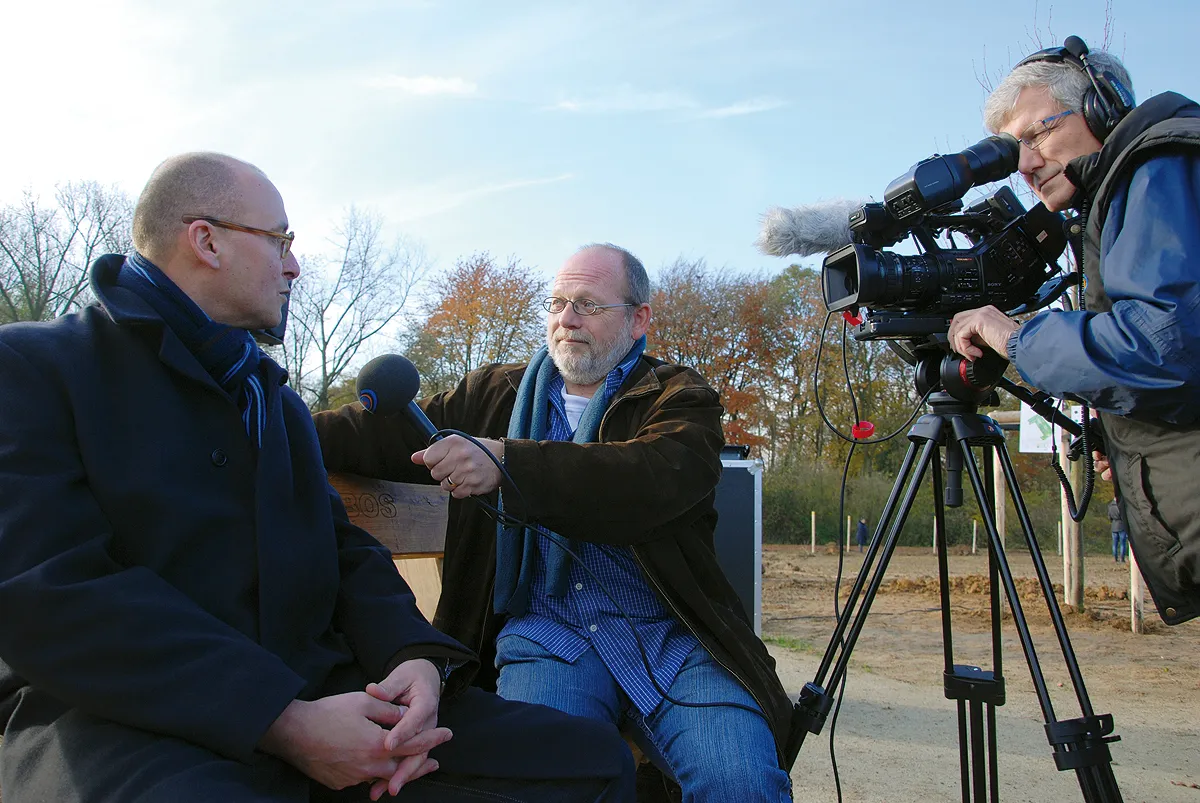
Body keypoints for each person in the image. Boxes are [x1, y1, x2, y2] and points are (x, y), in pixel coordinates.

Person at [0, 153, 636, 803]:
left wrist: (411, 656)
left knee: (592, 764)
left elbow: (339, 545)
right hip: (122, 724)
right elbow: (47, 595)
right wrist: (283, 720)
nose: (293, 265)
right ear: (206, 239)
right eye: (280, 240)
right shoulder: (34, 369)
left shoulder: (271, 399)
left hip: (329, 696)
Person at [314, 244, 799, 802]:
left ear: (638, 318)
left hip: (674, 638)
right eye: (558, 302)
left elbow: (652, 480)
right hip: (546, 637)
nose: (566, 319)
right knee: (547, 782)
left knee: (739, 783)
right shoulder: (491, 393)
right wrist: (272, 419)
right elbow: (381, 436)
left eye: (589, 305)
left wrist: (506, 464)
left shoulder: (680, 397)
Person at [946, 37, 1200, 625]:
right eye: (1015, 152)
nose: (1026, 164)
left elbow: (1165, 347)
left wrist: (1016, 338)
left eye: (1036, 135)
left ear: (1101, 108)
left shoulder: (1158, 166)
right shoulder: (1122, 196)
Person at [1108, 497, 1129, 563]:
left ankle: (1115, 558)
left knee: (1115, 544)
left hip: (1114, 526)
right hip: (1121, 526)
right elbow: (1124, 516)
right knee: (1123, 544)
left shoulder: (1110, 506)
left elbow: (1109, 517)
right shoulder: (1121, 506)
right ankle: (1122, 559)